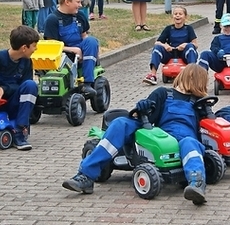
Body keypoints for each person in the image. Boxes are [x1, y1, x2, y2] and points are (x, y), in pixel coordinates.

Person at [62, 64, 210, 205]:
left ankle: (196, 183)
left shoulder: (199, 102)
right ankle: (86, 175)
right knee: (120, 123)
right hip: (163, 136)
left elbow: (209, 127)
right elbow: (147, 114)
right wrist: (143, 106)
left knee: (189, 144)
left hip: (186, 138)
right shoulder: (163, 93)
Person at [44, 0, 100, 96]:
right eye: (78, 2)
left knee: (92, 41)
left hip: (80, 54)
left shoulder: (79, 16)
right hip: (62, 56)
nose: (80, 5)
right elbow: (51, 47)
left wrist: (92, 51)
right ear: (67, 2)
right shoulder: (52, 20)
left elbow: (84, 36)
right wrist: (72, 50)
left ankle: (87, 84)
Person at [143, 6, 198, 85]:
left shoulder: (188, 28)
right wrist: (164, 45)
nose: (177, 15)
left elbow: (195, 44)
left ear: (185, 17)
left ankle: (192, 75)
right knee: (157, 48)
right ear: (173, 16)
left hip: (183, 54)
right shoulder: (169, 29)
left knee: (190, 47)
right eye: (175, 14)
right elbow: (157, 42)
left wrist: (186, 44)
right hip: (170, 53)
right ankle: (153, 75)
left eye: (180, 14)